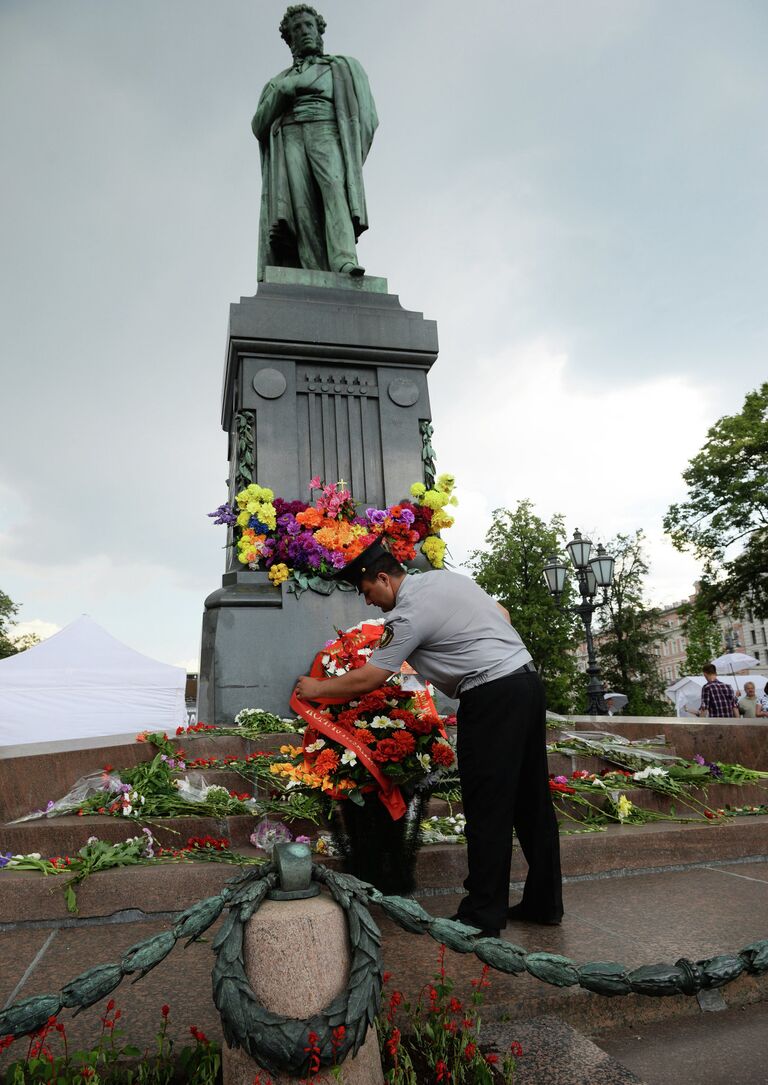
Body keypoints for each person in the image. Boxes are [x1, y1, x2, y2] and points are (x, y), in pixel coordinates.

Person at [295, 539, 564, 938]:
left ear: (383, 578)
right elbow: (501, 613)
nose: (368, 602)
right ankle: (545, 903)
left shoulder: (406, 616)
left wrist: (315, 689)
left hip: (490, 696)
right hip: (525, 683)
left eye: (367, 591)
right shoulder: (446, 580)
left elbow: (371, 677)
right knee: (531, 803)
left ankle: (482, 915)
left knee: (487, 806)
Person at [252, 4, 378, 279]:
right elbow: (258, 125)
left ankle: (344, 260)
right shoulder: (279, 81)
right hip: (291, 135)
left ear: (319, 30)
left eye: (309, 25)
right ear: (289, 39)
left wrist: (352, 158)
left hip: (327, 131)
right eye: (297, 29)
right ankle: (310, 267)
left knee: (334, 187)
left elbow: (368, 118)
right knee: (301, 205)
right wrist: (281, 95)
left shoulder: (342, 68)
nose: (304, 32)